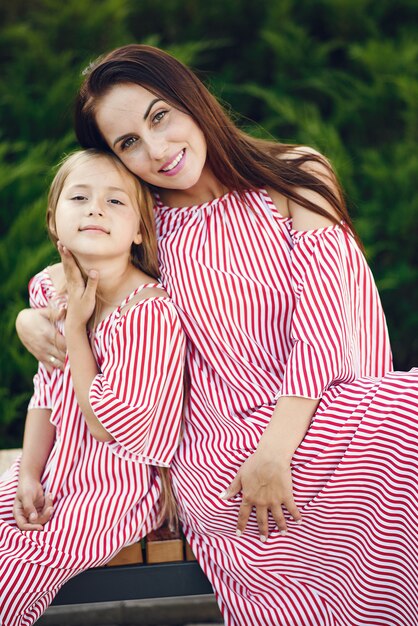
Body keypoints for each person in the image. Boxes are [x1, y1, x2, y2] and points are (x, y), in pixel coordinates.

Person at [16, 45, 418, 626]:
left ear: (192, 100)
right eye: (128, 143)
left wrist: (276, 452)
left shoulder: (296, 177)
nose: (155, 150)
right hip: (220, 453)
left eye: (160, 116)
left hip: (319, 416)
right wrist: (30, 320)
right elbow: (64, 272)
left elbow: (322, 320)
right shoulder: (146, 226)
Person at [0, 148, 185, 625]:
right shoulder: (51, 288)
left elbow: (107, 427)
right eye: (79, 197)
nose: (96, 209)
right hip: (55, 465)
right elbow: (48, 393)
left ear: (141, 230)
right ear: (53, 220)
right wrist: (28, 474)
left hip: (119, 486)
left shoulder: (148, 313)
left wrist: (77, 331)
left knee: (21, 561)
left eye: (115, 202)